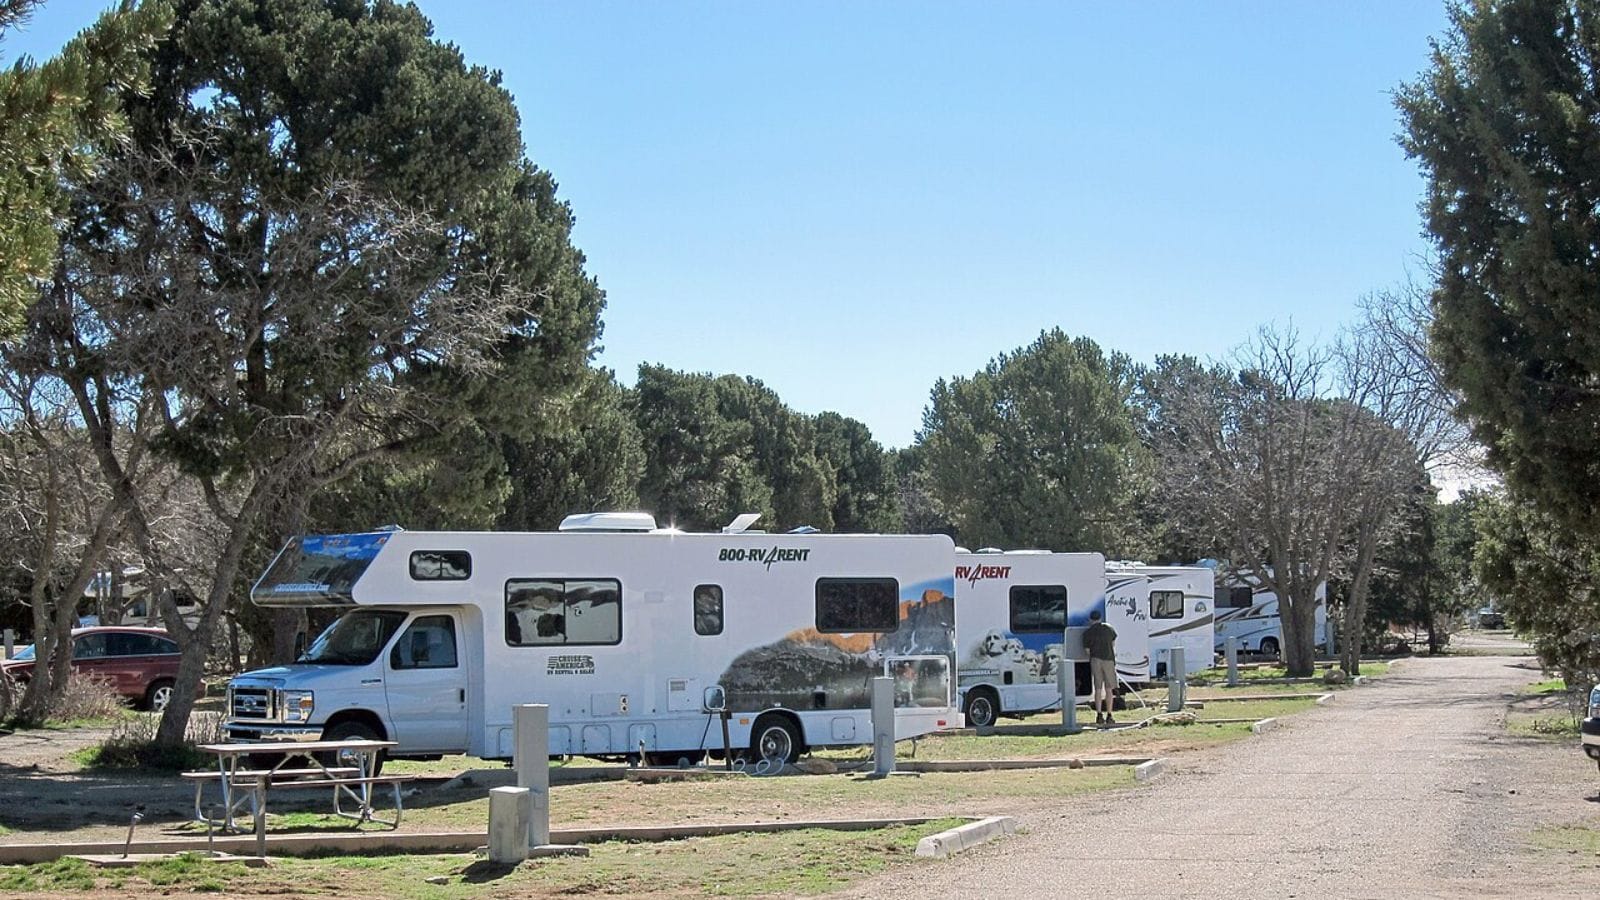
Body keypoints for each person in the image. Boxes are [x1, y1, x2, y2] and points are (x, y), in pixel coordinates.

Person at [1084, 609, 1118, 726]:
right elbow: (1113, 644)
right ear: (1100, 618)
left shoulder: (1088, 633)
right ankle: (1109, 715)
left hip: (1095, 660)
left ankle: (1099, 715)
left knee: (1098, 688)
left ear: (1090, 620)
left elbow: (1087, 651)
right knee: (1109, 689)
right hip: (1108, 660)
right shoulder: (1109, 629)